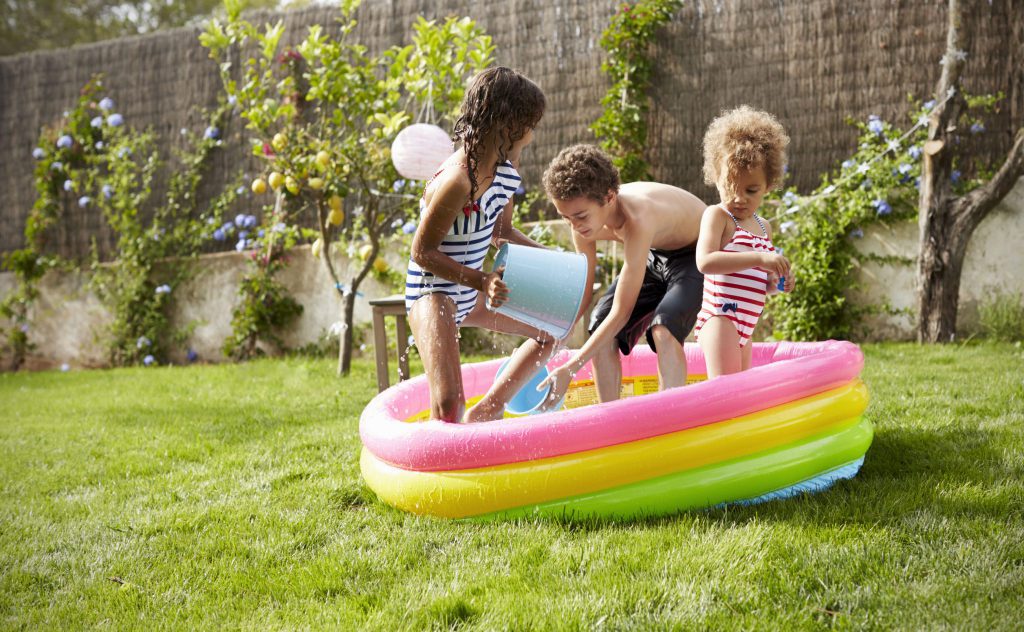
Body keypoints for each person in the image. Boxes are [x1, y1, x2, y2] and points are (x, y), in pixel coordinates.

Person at [405, 66, 553, 423]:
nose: (532, 135)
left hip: (471, 291)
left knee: (549, 334)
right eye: (530, 124)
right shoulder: (457, 180)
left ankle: (489, 409)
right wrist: (482, 281)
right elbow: (422, 253)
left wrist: (555, 261)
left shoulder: (506, 173)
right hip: (433, 292)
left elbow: (502, 233)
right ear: (508, 124)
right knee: (448, 403)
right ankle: (438, 470)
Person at [537, 144, 706, 408]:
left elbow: (622, 312)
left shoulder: (638, 218)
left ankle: (670, 418)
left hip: (696, 253)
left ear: (609, 197)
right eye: (566, 218)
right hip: (653, 252)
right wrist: (554, 338)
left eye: (580, 216)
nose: (575, 226)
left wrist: (571, 368)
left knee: (664, 329)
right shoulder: (580, 226)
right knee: (599, 327)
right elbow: (585, 292)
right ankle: (611, 418)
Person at [693, 105, 794, 377]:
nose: (739, 198)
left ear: (768, 185)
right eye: (730, 187)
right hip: (721, 317)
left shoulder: (764, 227)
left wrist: (776, 282)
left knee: (741, 390)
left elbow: (758, 281)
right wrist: (761, 258)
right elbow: (705, 261)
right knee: (726, 391)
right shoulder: (718, 216)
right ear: (716, 177)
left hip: (746, 324)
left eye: (751, 190)